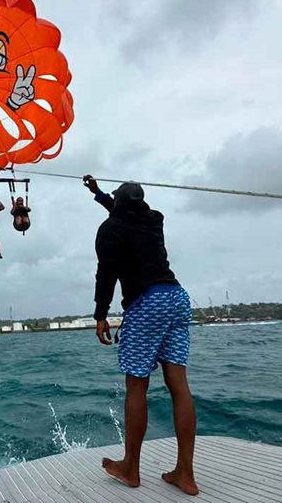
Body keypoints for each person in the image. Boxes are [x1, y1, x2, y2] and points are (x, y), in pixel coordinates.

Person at [84, 175, 199, 496]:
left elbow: (105, 274)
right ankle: (185, 474)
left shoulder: (109, 231)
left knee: (137, 385)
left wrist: (100, 315)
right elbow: (124, 212)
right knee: (179, 385)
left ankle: (130, 468)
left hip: (146, 303)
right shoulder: (154, 221)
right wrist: (99, 195)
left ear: (118, 205)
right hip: (177, 299)